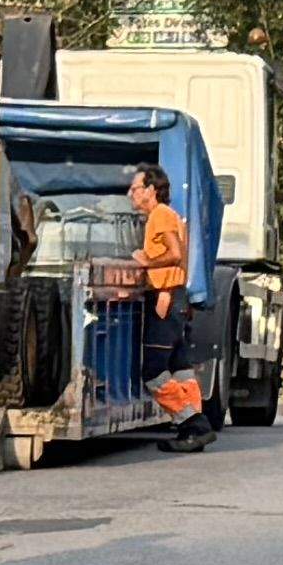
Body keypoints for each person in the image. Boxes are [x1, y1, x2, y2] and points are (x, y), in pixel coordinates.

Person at [104, 157, 196, 418]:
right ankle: (194, 425)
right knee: (181, 369)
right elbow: (182, 258)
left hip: (165, 299)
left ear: (151, 190)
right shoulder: (171, 215)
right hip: (175, 297)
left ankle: (191, 421)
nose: (129, 194)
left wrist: (147, 263)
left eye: (135, 188)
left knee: (154, 371)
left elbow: (175, 253)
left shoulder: (160, 216)